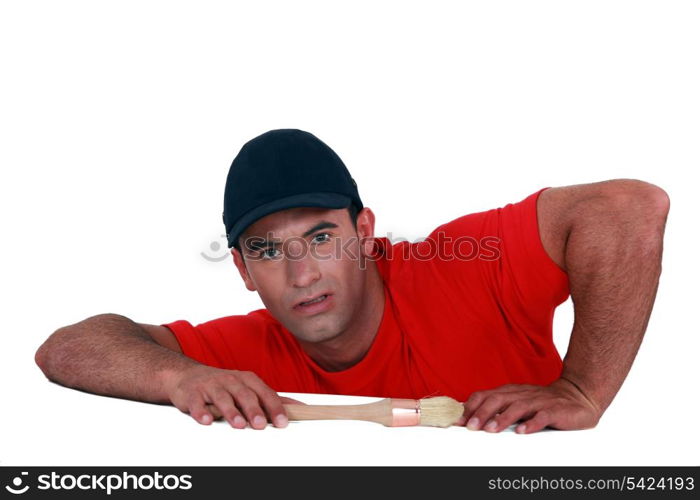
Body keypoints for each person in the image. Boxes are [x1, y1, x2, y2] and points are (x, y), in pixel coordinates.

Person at [35, 129, 670, 434]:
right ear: (243, 270)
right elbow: (67, 348)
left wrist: (583, 388)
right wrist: (179, 376)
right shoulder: (241, 357)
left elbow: (628, 208)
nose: (302, 273)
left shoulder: (460, 270)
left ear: (364, 230)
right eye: (267, 249)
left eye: (320, 236)